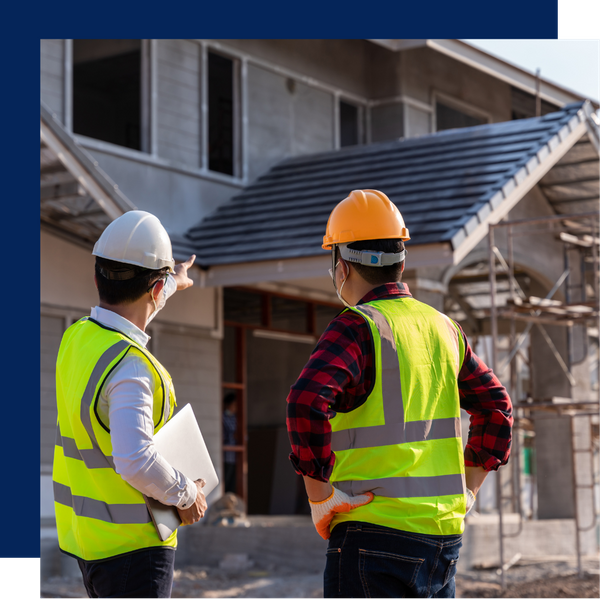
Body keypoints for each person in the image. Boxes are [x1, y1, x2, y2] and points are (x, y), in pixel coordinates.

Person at [286, 190, 513, 599]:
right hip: (443, 540)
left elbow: (306, 401)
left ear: (341, 266)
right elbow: (497, 408)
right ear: (401, 262)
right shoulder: (444, 328)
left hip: (373, 536)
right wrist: (469, 490)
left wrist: (319, 497)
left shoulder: (358, 326)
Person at [52, 210, 208, 599]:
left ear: (96, 277)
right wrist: (186, 495)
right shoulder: (130, 367)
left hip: (91, 544)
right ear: (155, 290)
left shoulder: (76, 339)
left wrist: (174, 281)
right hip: (134, 551)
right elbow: (134, 458)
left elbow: (141, 300)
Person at [222, 392, 238, 493]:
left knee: (233, 484)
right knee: (225, 483)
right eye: (234, 405)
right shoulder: (222, 417)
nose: (235, 407)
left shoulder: (235, 418)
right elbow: (223, 435)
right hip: (226, 456)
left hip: (235, 456)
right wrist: (233, 436)